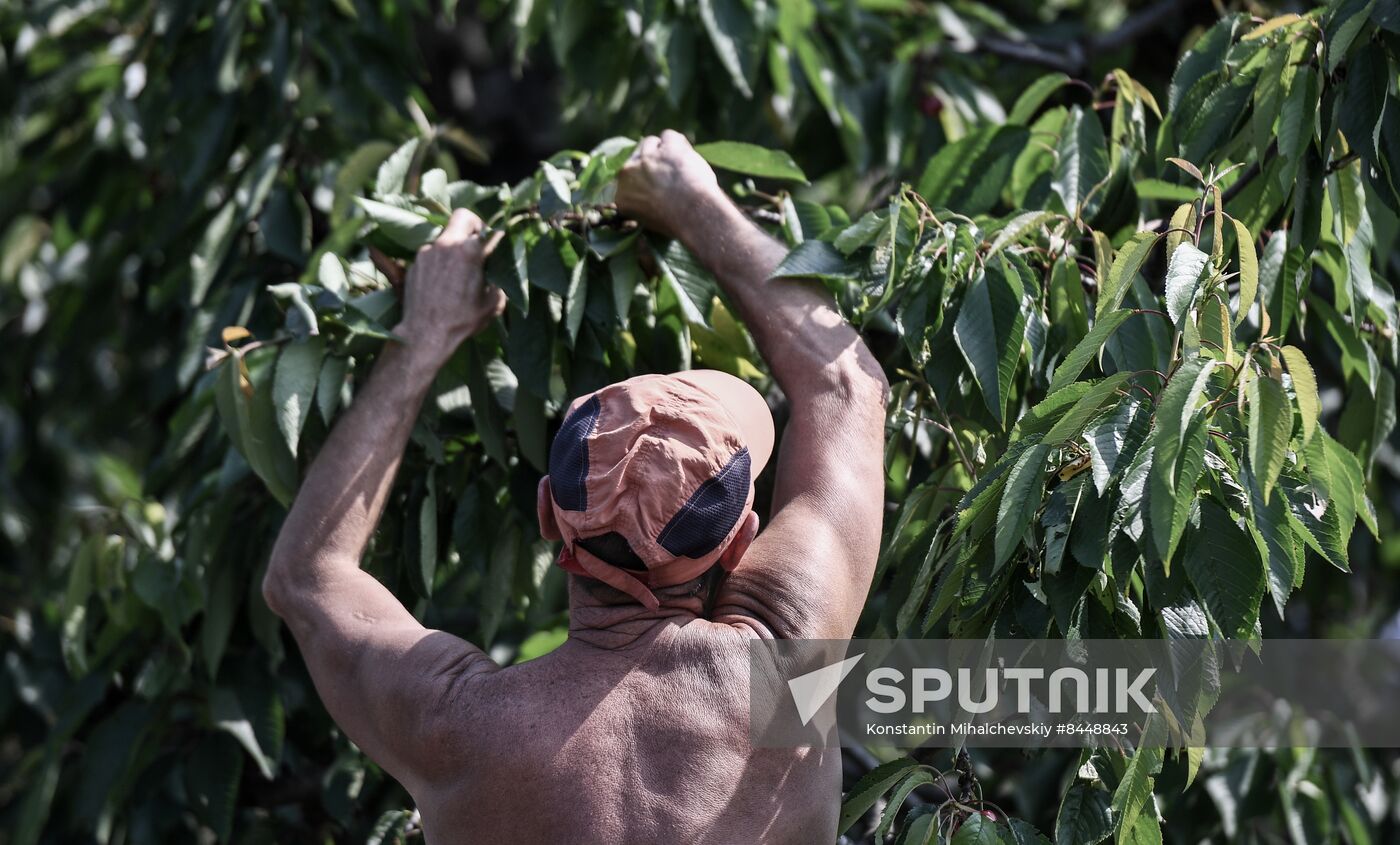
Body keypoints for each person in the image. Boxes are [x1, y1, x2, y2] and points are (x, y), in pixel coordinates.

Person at [261, 130, 889, 843]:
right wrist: (690, 200)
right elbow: (846, 384)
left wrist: (425, 336)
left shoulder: (458, 724)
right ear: (743, 540)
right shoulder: (783, 676)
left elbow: (307, 576)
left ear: (547, 517)